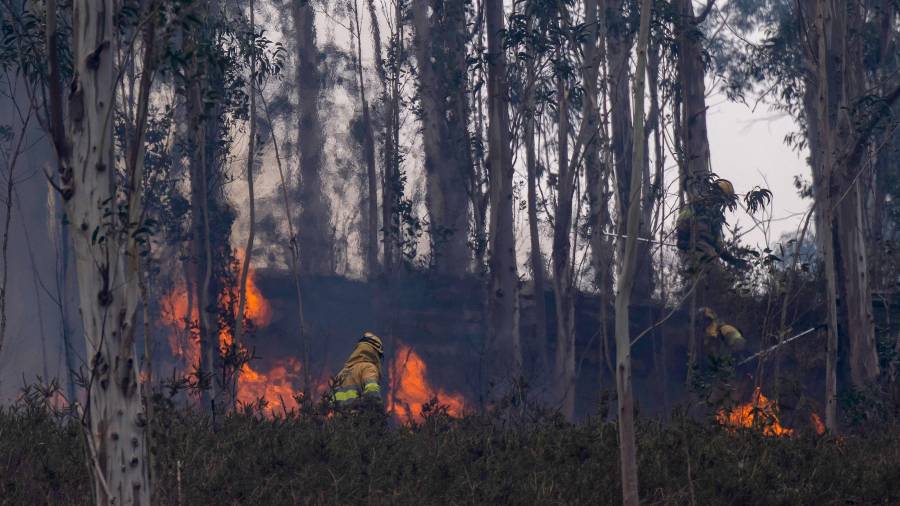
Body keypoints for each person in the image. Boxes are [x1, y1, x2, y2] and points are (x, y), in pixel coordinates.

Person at [676, 178, 744, 267]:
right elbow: (682, 220)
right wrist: (683, 240)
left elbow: (718, 245)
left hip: (708, 254)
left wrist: (732, 260)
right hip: (692, 254)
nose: (719, 201)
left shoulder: (716, 217)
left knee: (719, 274)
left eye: (722, 199)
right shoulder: (697, 205)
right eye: (718, 195)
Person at [333, 332, 384, 407]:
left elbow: (330, 403)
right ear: (375, 352)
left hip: (339, 418)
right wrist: (379, 412)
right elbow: (372, 393)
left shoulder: (341, 374)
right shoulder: (369, 368)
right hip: (360, 417)